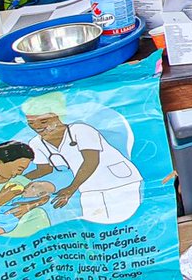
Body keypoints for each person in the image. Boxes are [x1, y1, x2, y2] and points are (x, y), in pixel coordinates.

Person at [21, 92, 143, 225]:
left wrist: (70, 189)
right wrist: (17, 181)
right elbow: (44, 169)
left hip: (119, 181)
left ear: (57, 116)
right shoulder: (36, 143)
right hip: (88, 187)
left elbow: (91, 161)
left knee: (126, 220)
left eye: (43, 121)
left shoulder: (80, 130)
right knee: (97, 223)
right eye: (31, 123)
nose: (37, 127)